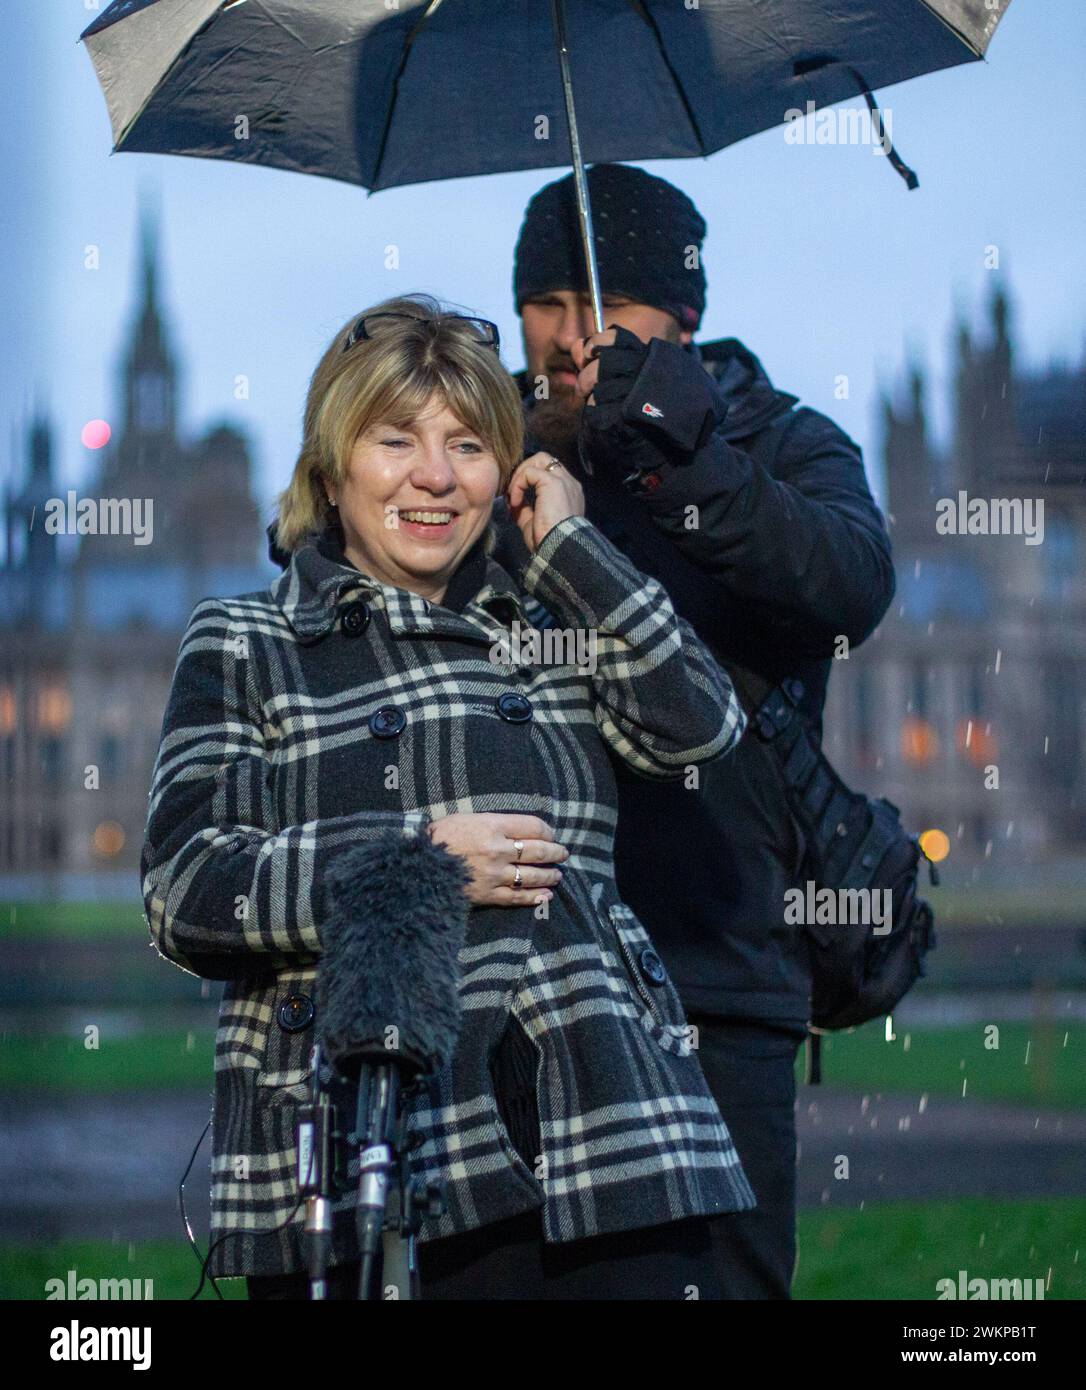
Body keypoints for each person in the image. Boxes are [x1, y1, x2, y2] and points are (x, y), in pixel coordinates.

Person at [141, 295, 755, 1301]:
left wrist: (573, 552)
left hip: (597, 1137)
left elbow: (703, 728)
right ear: (335, 466)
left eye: (468, 444)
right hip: (353, 1144)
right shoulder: (245, 640)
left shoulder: (553, 618)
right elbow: (184, 886)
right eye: (396, 440)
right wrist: (419, 856)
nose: (434, 476)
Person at [502, 163, 896, 1298]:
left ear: (683, 315)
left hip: (719, 968)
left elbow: (848, 585)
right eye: (549, 302)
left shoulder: (779, 442)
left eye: (606, 302)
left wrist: (681, 462)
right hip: (534, 976)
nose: (573, 334)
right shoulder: (495, 453)